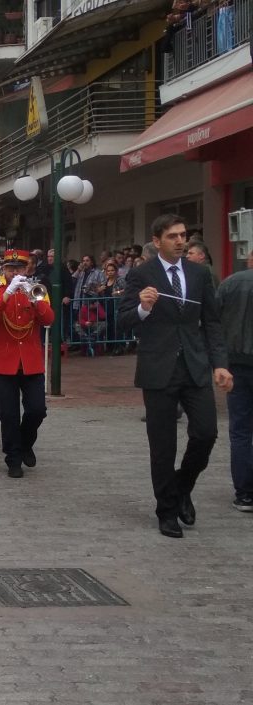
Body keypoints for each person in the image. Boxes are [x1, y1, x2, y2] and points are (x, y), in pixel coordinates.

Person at [119, 214, 232, 538]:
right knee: (163, 445)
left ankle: (182, 486)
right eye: (173, 236)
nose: (181, 241)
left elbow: (211, 322)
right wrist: (143, 308)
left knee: (206, 432)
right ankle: (166, 510)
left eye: (183, 235)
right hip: (158, 368)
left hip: (194, 365)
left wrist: (219, 364)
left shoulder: (199, 273)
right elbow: (125, 319)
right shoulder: (142, 274)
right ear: (157, 241)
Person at [0, 250, 55, 478]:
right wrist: (7, 295)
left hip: (31, 361)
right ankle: (13, 457)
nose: (15, 272)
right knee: (9, 414)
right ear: (3, 269)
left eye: (19, 268)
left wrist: (34, 299)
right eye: (10, 268)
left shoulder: (37, 290)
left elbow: (48, 320)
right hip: (5, 362)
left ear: (27, 269)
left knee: (37, 410)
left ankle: (25, 443)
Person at [215, 250, 253, 512]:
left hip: (236, 364)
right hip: (238, 361)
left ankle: (245, 493)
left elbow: (213, 321)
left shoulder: (230, 283)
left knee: (240, 430)